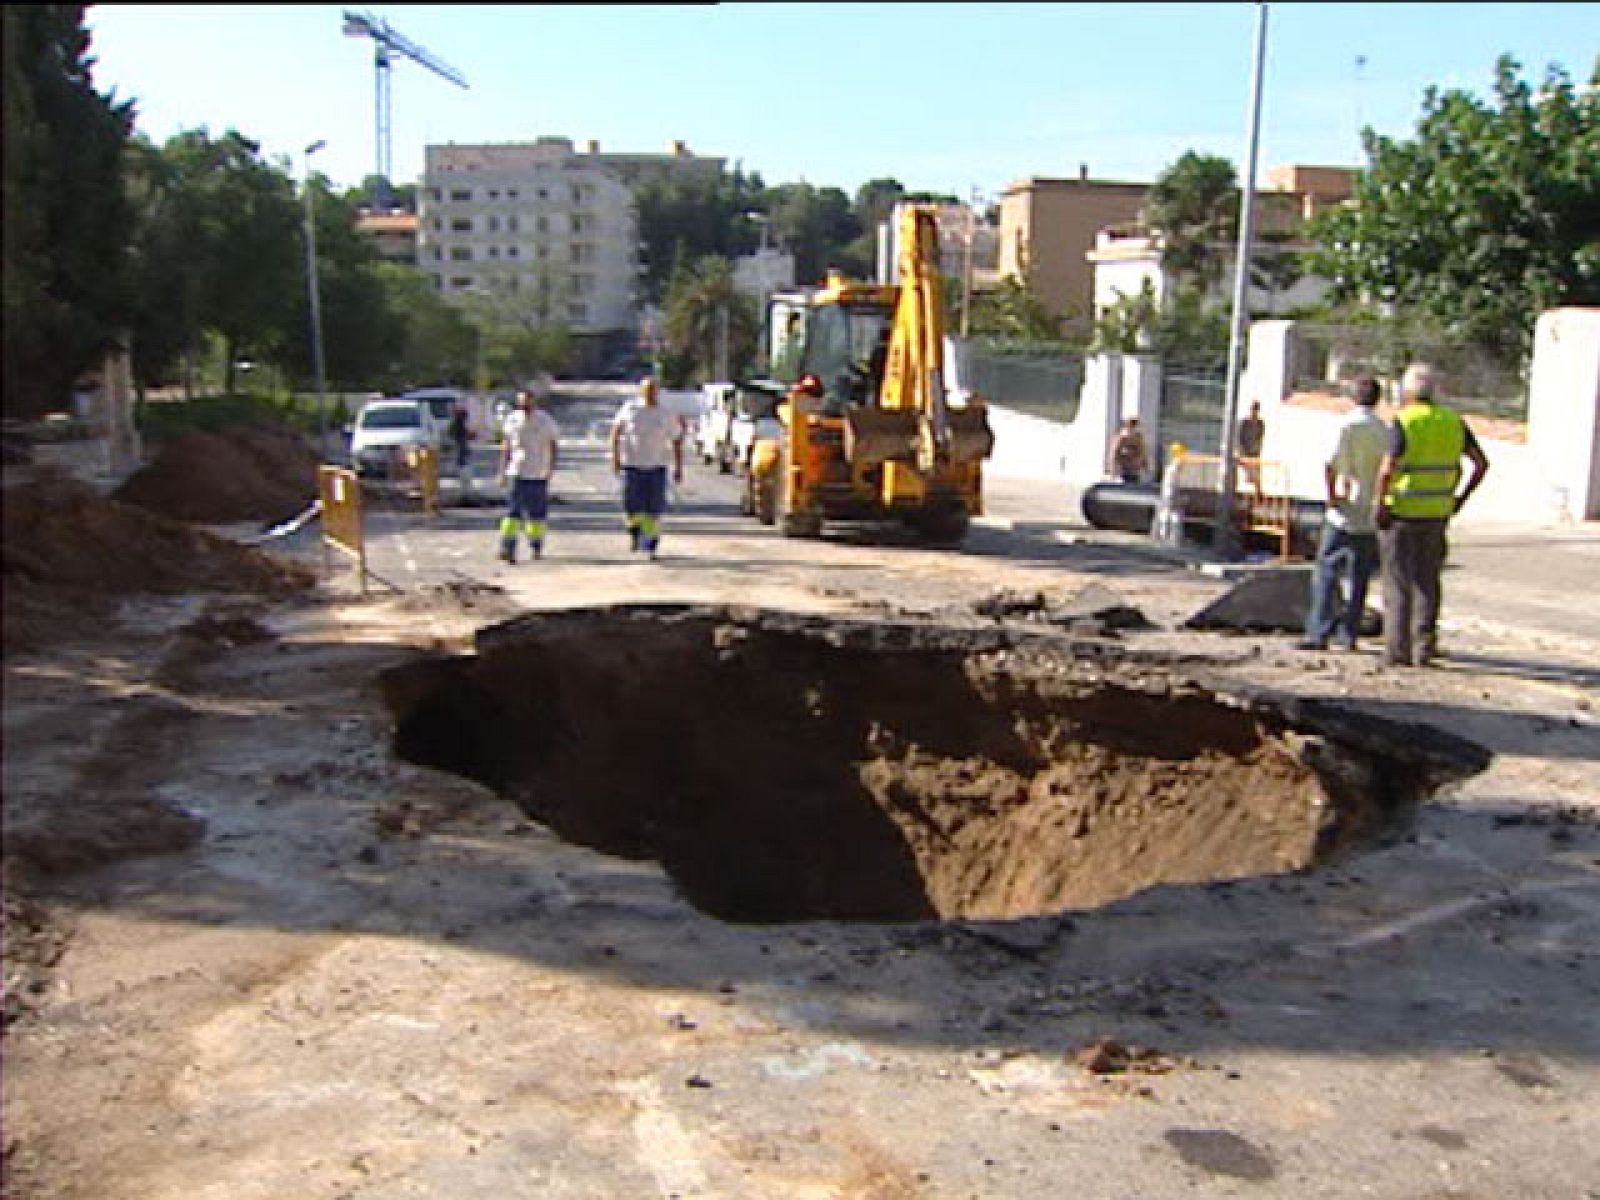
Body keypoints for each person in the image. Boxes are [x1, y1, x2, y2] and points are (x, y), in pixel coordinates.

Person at [1372, 363, 1490, 667]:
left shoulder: (1405, 421)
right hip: (1437, 513)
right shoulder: (1453, 421)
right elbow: (1480, 464)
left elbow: (1387, 469)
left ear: (1407, 391)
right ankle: (1424, 647)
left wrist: (1381, 503)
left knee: (1397, 581)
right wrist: (1460, 497)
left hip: (1402, 512)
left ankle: (1397, 650)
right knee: (1428, 581)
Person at [1298, 377, 1388, 651]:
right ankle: (1349, 635)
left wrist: (1330, 496)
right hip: (1368, 508)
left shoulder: (1346, 425)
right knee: (1359, 576)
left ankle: (1319, 631)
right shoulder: (1383, 429)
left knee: (1327, 569)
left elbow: (1330, 462)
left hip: (1343, 507)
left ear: (1353, 397)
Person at [609, 376, 684, 559]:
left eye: (653, 389)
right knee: (632, 507)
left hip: (656, 467)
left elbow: (676, 440)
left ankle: (650, 545)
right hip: (632, 466)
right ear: (641, 391)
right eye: (647, 389)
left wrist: (678, 467)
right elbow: (616, 432)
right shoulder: (631, 410)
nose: (650, 393)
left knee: (654, 509)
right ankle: (635, 533)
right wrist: (615, 457)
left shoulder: (665, 414)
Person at [497, 389, 560, 563]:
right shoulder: (512, 419)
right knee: (512, 513)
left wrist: (550, 468)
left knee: (536, 515)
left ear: (533, 401)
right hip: (516, 471)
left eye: (527, 401)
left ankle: (536, 545)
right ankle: (507, 547)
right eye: (521, 402)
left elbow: (553, 444)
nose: (524, 405)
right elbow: (507, 446)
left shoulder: (545, 420)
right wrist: (502, 471)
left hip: (538, 473)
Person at [1108, 416, 1148, 484]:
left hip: (1135, 470)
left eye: (1135, 425)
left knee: (1134, 485)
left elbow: (1143, 451)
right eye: (1132, 425)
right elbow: (1113, 454)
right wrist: (1113, 471)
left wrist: (1145, 465)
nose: (1134, 427)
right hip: (1124, 469)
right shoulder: (1122, 438)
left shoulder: (1138, 437)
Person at [1237, 400, 1266, 491]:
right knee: (1246, 474)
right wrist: (1242, 451)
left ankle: (1258, 493)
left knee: (1256, 474)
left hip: (1254, 452)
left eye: (1256, 409)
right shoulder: (1244, 422)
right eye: (1253, 409)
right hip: (1245, 452)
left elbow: (1260, 437)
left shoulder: (1260, 423)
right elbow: (1240, 438)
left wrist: (1257, 449)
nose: (1254, 411)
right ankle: (1237, 492)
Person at [448, 404, 471, 474]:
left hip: (459, 437)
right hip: (460, 437)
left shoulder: (457, 421)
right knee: (461, 450)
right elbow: (461, 429)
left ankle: (460, 463)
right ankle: (461, 464)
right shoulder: (459, 421)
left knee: (461, 450)